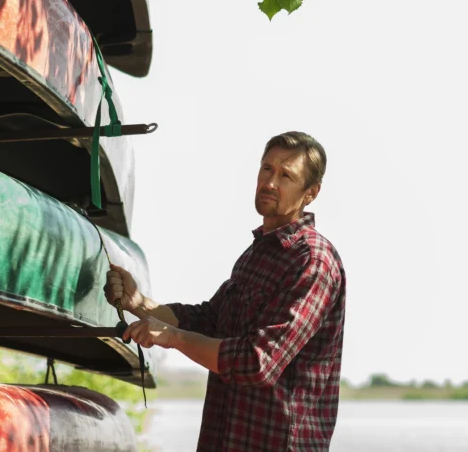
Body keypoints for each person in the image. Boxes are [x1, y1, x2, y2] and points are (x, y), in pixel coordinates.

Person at [104, 131, 346, 451]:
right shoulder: (255, 254)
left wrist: (171, 337)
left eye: (286, 175)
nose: (270, 182)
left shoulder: (313, 261)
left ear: (310, 193)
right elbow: (208, 320)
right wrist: (138, 303)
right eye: (267, 169)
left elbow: (257, 362)